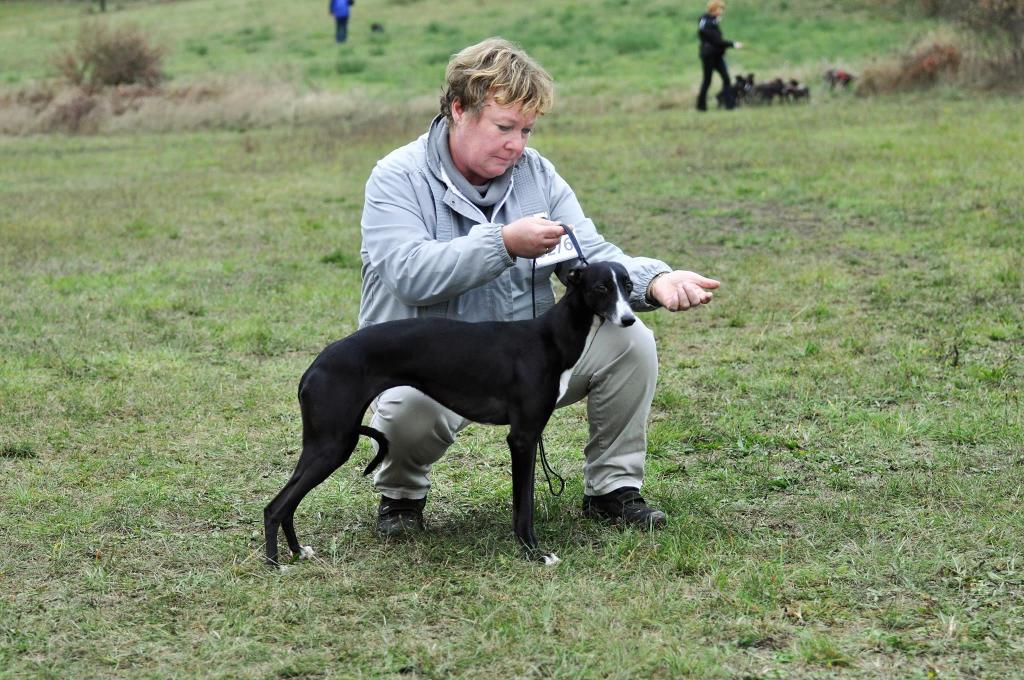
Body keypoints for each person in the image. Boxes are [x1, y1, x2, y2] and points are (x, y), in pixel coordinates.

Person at [358, 37, 720, 537]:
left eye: (526, 130)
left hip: (527, 362)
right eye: (504, 127)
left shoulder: (537, 176)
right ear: (459, 109)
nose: (517, 145)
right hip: (433, 365)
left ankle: (613, 489)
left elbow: (590, 256)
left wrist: (655, 279)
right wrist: (503, 242)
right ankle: (401, 499)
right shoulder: (397, 177)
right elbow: (408, 273)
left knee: (630, 341)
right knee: (405, 409)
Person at [697, 0, 744, 111]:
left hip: (717, 55)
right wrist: (733, 44)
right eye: (720, 9)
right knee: (707, 81)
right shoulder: (708, 22)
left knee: (726, 79)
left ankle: (730, 105)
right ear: (713, 9)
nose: (722, 11)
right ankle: (701, 106)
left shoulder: (711, 21)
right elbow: (717, 41)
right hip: (709, 56)